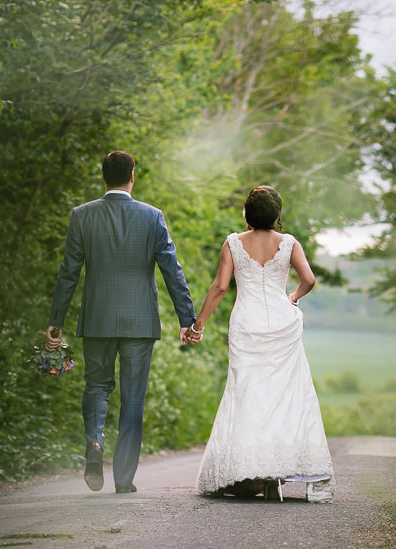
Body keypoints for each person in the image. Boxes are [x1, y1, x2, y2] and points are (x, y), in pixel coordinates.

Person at [46, 150, 197, 494]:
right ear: (133, 176)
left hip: (97, 318)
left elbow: (69, 272)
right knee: (132, 399)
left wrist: (56, 321)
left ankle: (94, 443)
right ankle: (124, 478)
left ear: (104, 178)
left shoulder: (82, 216)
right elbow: (172, 271)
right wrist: (186, 319)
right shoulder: (152, 217)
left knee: (96, 386)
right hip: (139, 323)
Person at [190, 185, 334, 503]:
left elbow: (219, 287)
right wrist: (292, 298)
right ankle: (278, 474)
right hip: (283, 324)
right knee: (287, 396)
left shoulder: (232, 243)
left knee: (248, 394)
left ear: (247, 213)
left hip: (247, 325)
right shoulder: (289, 243)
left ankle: (257, 474)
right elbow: (308, 279)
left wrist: (198, 324)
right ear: (277, 215)